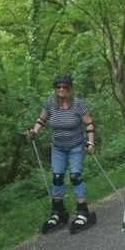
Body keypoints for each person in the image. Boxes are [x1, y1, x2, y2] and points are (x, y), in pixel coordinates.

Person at [28, 74, 97, 234]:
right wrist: (34, 131)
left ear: (70, 88)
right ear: (55, 89)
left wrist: (91, 142)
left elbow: (89, 123)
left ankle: (83, 212)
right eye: (58, 87)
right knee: (57, 177)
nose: (61, 90)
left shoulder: (78, 104)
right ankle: (58, 212)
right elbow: (41, 119)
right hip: (58, 147)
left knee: (75, 176)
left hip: (76, 146)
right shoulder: (50, 103)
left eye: (65, 87)